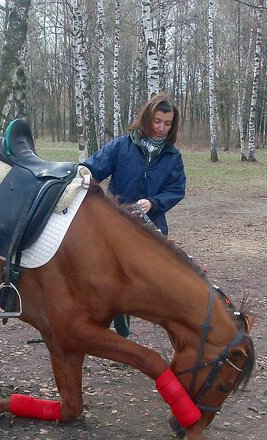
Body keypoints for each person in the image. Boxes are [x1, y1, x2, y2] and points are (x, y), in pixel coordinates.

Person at [82, 92, 187, 339]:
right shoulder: (121, 146)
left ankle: (175, 331)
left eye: (167, 123)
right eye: (157, 121)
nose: (161, 128)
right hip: (116, 227)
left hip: (152, 226)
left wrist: (153, 203)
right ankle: (117, 327)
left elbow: (176, 190)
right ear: (147, 118)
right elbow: (90, 169)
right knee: (112, 277)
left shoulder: (173, 157)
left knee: (148, 282)